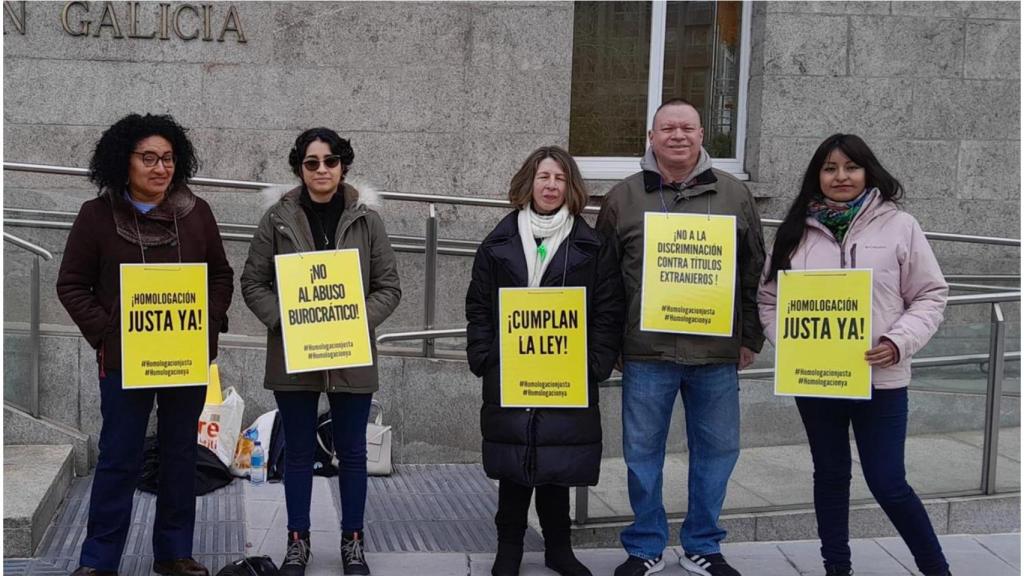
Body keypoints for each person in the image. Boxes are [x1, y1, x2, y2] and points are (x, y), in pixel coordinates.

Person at [757, 134, 951, 576]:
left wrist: (897, 342)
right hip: (818, 380)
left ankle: (936, 568)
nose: (840, 176)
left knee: (888, 482)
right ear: (816, 176)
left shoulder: (900, 226)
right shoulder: (793, 232)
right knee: (829, 477)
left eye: (850, 167)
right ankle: (836, 569)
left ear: (868, 171)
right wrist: (788, 342)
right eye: (829, 168)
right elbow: (768, 300)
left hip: (881, 381)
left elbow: (930, 295)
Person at [57, 114, 234, 576]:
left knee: (179, 457)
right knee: (119, 457)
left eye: (168, 159)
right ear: (124, 161)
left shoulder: (197, 214)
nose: (160, 168)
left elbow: (220, 275)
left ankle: (174, 554)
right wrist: (109, 334)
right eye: (149, 158)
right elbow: (72, 284)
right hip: (122, 363)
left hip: (184, 358)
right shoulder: (96, 217)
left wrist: (207, 322)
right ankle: (99, 560)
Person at [596, 98, 765, 576]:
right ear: (650, 138)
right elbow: (604, 280)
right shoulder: (622, 198)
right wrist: (611, 346)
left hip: (716, 354)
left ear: (701, 135)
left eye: (687, 128)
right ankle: (645, 545)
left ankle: (703, 545)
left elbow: (754, 269)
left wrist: (749, 336)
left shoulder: (734, 195)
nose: (677, 136)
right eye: (667, 128)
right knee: (641, 455)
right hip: (646, 353)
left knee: (717, 452)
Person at [240, 128, 401, 576]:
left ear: (343, 165)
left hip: (351, 353)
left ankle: (353, 541)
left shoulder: (367, 219)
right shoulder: (277, 219)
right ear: (300, 168)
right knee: (296, 454)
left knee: (351, 452)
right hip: (294, 353)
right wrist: (286, 321)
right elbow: (253, 283)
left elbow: (389, 287)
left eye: (330, 161)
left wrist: (354, 320)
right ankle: (297, 541)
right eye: (312, 163)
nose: (322, 170)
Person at [465, 146, 625, 576]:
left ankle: (559, 550)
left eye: (559, 178)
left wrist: (595, 363)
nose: (551, 186)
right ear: (527, 184)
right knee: (514, 466)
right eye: (543, 177)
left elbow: (608, 310)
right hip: (509, 371)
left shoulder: (591, 246)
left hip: (567, 373)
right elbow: (479, 306)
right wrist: (484, 356)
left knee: (557, 464)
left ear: (571, 187)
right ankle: (509, 550)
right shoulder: (498, 243)